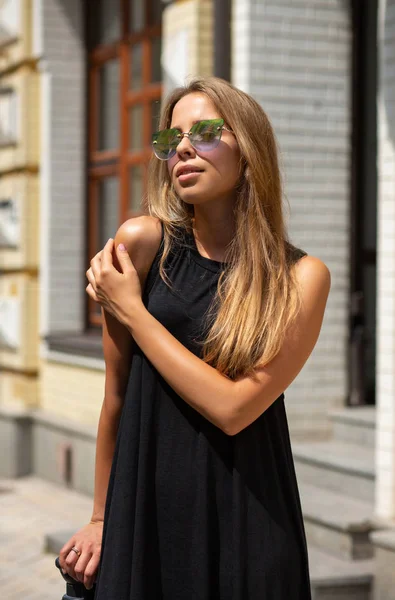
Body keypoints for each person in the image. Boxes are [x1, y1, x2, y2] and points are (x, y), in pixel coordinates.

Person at [59, 76, 330, 599]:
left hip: (249, 517)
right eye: (170, 140)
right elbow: (115, 398)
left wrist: (134, 313)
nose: (182, 148)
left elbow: (234, 409)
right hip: (146, 512)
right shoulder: (141, 243)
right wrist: (99, 517)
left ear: (249, 150)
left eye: (205, 132)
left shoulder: (301, 278)